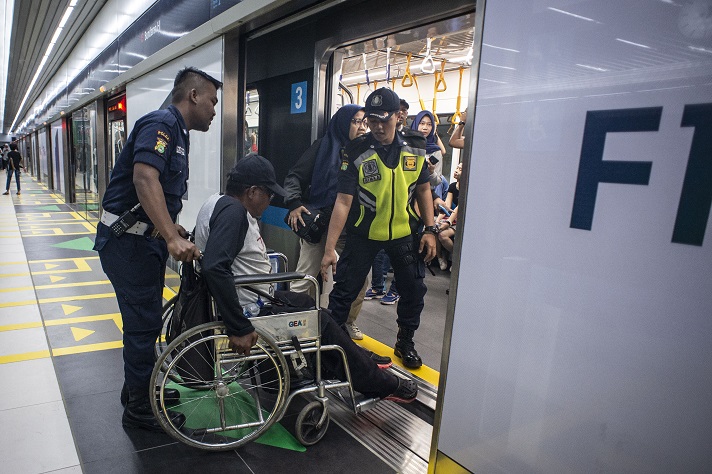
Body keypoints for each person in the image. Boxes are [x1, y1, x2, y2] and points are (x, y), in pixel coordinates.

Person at [196, 156, 417, 402]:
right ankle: (382, 384)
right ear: (252, 192)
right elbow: (215, 267)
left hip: (253, 297)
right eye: (268, 194)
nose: (270, 201)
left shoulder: (215, 202)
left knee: (306, 303)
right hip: (250, 310)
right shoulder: (234, 214)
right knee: (320, 321)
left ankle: (354, 357)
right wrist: (239, 326)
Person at [94, 67, 222, 431]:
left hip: (138, 240)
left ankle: (138, 388)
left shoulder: (176, 132)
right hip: (128, 244)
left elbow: (154, 192)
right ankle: (139, 409)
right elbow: (144, 177)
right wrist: (169, 237)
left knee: (143, 323)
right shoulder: (162, 125)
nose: (214, 109)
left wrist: (169, 227)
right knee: (143, 324)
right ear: (193, 95)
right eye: (212, 100)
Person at [321, 87, 437, 369]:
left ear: (398, 116)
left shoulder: (416, 145)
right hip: (364, 235)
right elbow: (343, 202)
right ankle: (331, 348)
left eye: (383, 120)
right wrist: (328, 250)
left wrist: (431, 229)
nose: (377, 126)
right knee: (344, 293)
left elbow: (423, 189)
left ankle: (405, 341)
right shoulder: (356, 150)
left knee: (412, 290)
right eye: (371, 120)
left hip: (403, 234)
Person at [284, 105, 372, 341]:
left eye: (364, 122)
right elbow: (295, 176)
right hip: (322, 225)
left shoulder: (368, 152)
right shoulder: (323, 147)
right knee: (305, 278)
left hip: (353, 228)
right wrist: (293, 202)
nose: (362, 127)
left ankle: (346, 322)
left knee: (361, 279)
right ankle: (290, 319)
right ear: (344, 123)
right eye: (356, 122)